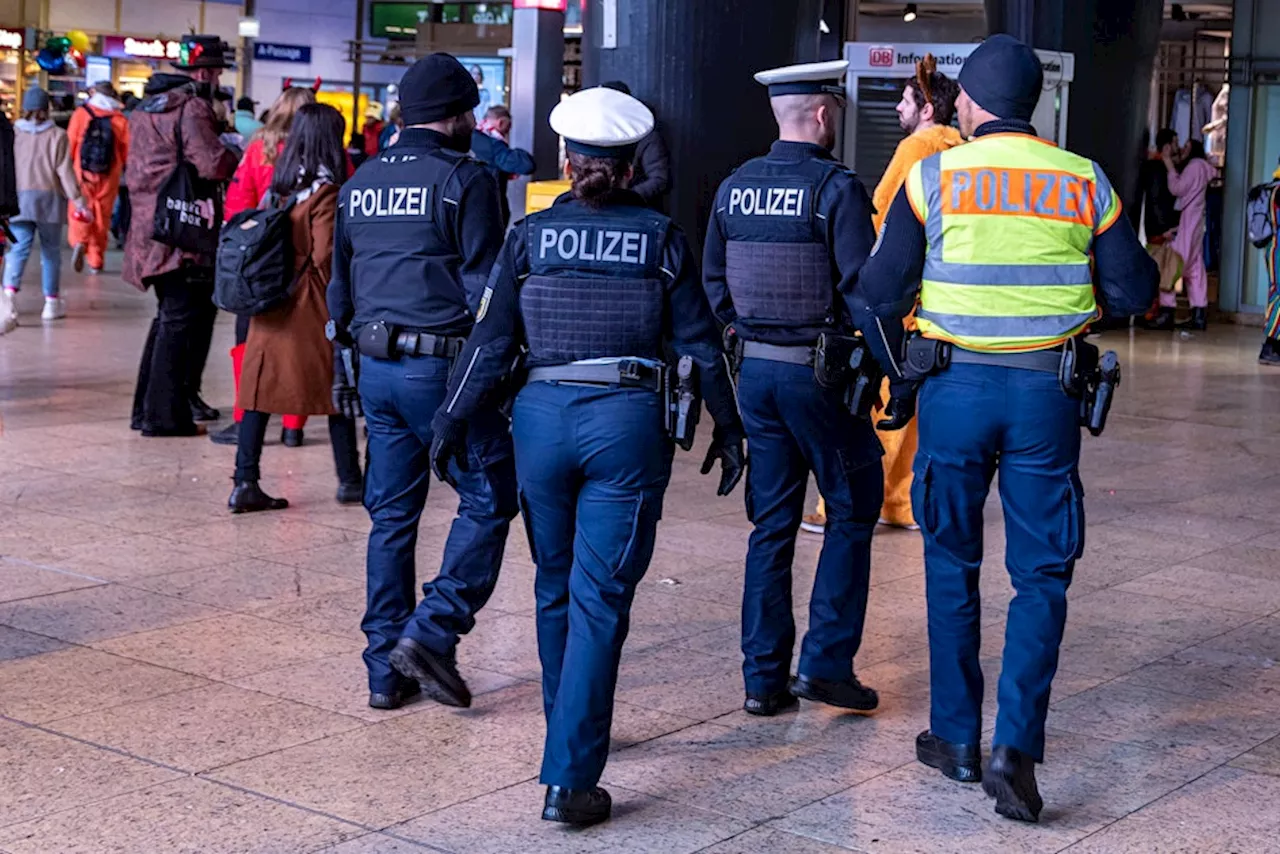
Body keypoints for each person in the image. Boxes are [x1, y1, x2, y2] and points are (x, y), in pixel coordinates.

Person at [852, 34, 1158, 823]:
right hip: (1043, 397)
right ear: (1036, 104)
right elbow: (1131, 290)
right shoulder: (1082, 178)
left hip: (952, 391)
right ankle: (1014, 749)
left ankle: (954, 738)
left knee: (951, 560)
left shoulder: (933, 176)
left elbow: (878, 290)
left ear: (970, 104)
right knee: (1041, 574)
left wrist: (902, 368)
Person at [429, 85, 745, 827]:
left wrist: (449, 419)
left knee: (553, 582)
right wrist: (731, 429)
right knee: (601, 597)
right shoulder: (662, 240)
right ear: (634, 164)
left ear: (568, 162)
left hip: (538, 422)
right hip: (627, 423)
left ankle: (563, 727)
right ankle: (570, 779)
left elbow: (490, 341)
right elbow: (701, 344)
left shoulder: (529, 237)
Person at [327, 53, 517, 714]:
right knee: (490, 496)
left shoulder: (361, 182)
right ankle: (433, 630)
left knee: (392, 515)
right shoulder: (465, 180)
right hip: (442, 370)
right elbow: (488, 295)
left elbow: (339, 290)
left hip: (375, 371)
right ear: (461, 115)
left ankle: (384, 670)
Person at [703, 60, 882, 719]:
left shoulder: (733, 189)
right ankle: (828, 665)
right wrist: (891, 369)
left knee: (771, 524)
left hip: (755, 374)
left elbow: (715, 287)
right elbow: (864, 294)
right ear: (825, 114)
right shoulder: (834, 189)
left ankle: (762, 680)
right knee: (853, 505)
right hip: (821, 375)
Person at [801, 55, 961, 536]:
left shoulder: (916, 149)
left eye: (905, 100)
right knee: (911, 418)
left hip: (899, 301)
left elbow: (880, 216)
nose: (897, 108)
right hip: (937, 299)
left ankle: (846, 503)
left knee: (877, 406)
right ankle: (900, 504)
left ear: (927, 109)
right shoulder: (957, 151)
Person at [229, 104, 362, 512]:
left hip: (270, 301)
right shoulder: (326, 191)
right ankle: (350, 479)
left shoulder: (282, 185)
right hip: (311, 305)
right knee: (337, 389)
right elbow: (324, 255)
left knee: (257, 393)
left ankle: (245, 479)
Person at [125, 35, 238, 437]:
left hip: (148, 231)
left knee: (166, 320)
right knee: (177, 322)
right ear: (206, 71)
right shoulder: (191, 108)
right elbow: (210, 164)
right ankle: (163, 417)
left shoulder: (145, 107)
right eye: (217, 70)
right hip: (180, 233)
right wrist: (234, 152)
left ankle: (146, 410)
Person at [211, 86, 318, 448]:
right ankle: (293, 425)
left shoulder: (259, 148)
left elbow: (237, 207)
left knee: (251, 341)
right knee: (302, 343)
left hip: (261, 261)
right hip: (307, 264)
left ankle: (246, 419)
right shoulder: (325, 153)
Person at [2, 87, 87, 323]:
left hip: (18, 200)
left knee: (17, 250)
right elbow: (64, 172)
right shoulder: (58, 135)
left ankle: (8, 302)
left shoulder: (13, 133)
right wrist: (78, 200)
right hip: (49, 201)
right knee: (50, 253)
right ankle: (51, 303)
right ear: (47, 107)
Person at [1153, 139, 1218, 331]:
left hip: (1189, 221)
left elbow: (1178, 188)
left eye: (1186, 147)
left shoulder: (1194, 166)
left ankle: (1167, 311)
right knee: (1195, 268)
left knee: (1172, 263)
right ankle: (1199, 314)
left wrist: (1169, 165)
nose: (1181, 149)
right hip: (1197, 221)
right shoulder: (1205, 168)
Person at [66, 81, 129, 277]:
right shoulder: (119, 118)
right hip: (109, 173)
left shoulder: (81, 114)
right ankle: (96, 259)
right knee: (102, 214)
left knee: (80, 208)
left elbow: (70, 144)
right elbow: (127, 150)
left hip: (82, 171)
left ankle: (80, 241)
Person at [599, 81, 671, 211]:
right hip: (600, 208)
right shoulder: (598, 135)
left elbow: (659, 179)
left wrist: (626, 198)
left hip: (638, 211)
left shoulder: (648, 136)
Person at [471, 105, 535, 227]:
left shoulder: (470, 138)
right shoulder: (493, 145)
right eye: (508, 127)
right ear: (501, 123)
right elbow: (526, 165)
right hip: (489, 209)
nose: (508, 132)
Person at [1261, 158, 1280, 366]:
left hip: (1274, 248)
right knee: (1278, 296)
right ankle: (1270, 345)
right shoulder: (1278, 191)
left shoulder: (1273, 188)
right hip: (1278, 249)